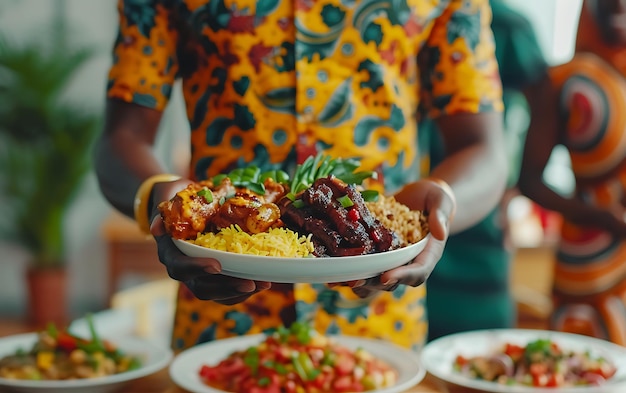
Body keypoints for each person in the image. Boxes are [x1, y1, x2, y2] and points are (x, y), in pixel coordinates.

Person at [95, 0, 507, 353]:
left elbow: (482, 147)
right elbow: (123, 136)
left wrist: (439, 202)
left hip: (379, 325)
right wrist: (164, 199)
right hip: (221, 308)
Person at [421, 0, 550, 341]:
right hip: (411, 218)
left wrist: (516, 185)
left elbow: (543, 108)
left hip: (477, 226)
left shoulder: (509, 29)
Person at [518, 0, 626, 346]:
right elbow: (530, 180)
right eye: (610, 6)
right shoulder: (564, 81)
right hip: (589, 254)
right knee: (585, 359)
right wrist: (598, 215)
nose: (620, 11)